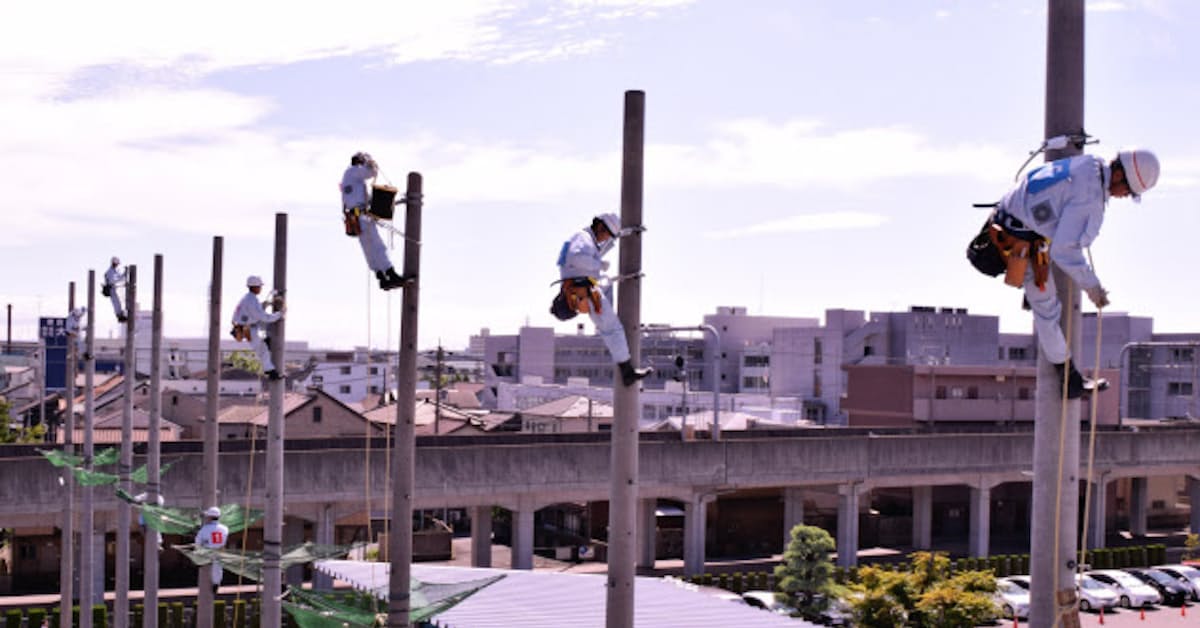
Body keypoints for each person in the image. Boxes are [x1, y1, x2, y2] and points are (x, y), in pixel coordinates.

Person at [987, 147, 1159, 398]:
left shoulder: (1089, 164)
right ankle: (1070, 378)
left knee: (1045, 297)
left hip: (1008, 213)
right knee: (1048, 311)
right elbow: (1065, 251)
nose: (1124, 196)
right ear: (1121, 176)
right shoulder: (1092, 202)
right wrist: (1093, 287)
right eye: (1128, 191)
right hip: (1018, 239)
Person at [555, 212, 652, 387]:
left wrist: (629, 231)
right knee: (611, 327)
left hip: (585, 285)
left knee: (607, 283)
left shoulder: (585, 239)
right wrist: (598, 265)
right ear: (600, 227)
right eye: (606, 233)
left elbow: (603, 246)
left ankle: (609, 321)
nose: (606, 238)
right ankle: (627, 371)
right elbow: (576, 258)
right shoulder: (583, 238)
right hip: (584, 289)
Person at [341, 151, 410, 291]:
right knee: (377, 246)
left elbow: (361, 198)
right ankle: (390, 273)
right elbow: (370, 173)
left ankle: (382, 277)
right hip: (361, 217)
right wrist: (371, 164)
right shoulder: (354, 171)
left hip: (356, 217)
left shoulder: (351, 178)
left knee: (369, 249)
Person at [231, 275, 283, 380]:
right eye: (259, 286)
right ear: (254, 287)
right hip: (246, 329)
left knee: (263, 344)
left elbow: (255, 312)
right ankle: (271, 372)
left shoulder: (248, 298)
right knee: (262, 350)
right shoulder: (251, 300)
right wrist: (279, 314)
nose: (260, 288)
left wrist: (264, 304)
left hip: (243, 327)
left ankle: (267, 341)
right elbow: (263, 316)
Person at [195, 506, 229, 595]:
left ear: (210, 517)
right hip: (220, 552)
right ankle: (216, 584)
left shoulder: (204, 529)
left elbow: (197, 542)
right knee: (217, 569)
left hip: (207, 553)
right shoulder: (225, 528)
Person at [102, 256, 128, 323]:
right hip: (112, 289)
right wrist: (122, 279)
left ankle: (122, 315)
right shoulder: (110, 272)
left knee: (120, 302)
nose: (117, 265)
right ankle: (119, 316)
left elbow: (120, 278)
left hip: (116, 288)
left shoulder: (115, 271)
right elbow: (113, 280)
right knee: (116, 303)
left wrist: (125, 273)